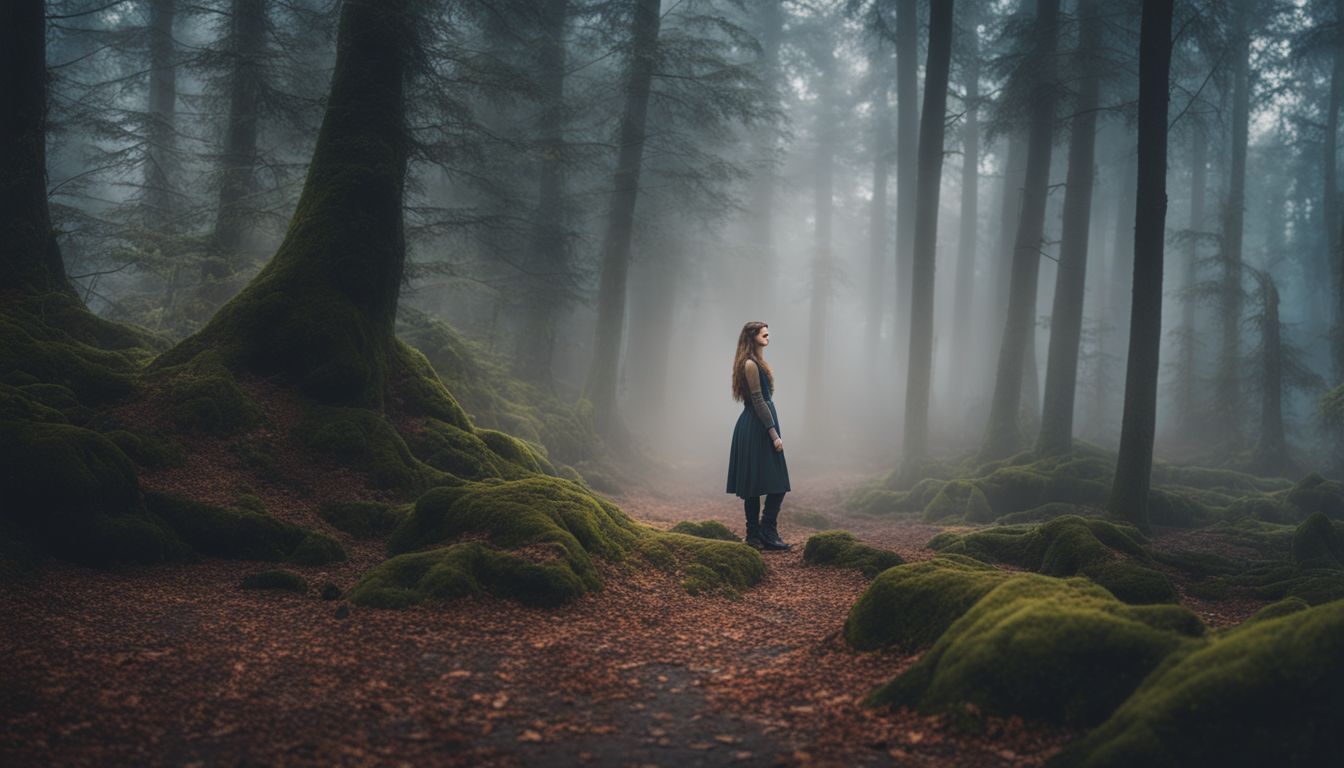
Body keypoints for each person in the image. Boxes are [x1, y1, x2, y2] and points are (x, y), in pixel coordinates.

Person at [726, 321, 792, 551]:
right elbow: (758, 401)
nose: (767, 335)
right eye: (763, 332)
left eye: (768, 332)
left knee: (776, 483)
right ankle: (755, 535)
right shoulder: (750, 365)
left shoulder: (757, 362)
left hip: (760, 425)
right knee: (761, 484)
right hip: (756, 427)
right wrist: (773, 434)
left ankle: (765, 531)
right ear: (751, 336)